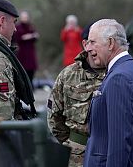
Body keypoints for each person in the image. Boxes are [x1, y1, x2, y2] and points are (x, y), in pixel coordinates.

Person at [83, 19, 133, 167]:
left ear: (110, 43)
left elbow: (119, 142)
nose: (87, 49)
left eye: (92, 42)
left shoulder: (119, 78)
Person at [47, 24, 105, 167]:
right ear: (85, 44)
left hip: (111, 152)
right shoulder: (68, 75)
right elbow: (54, 116)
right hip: (77, 157)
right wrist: (73, 144)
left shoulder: (118, 72)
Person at [13, 10, 39, 83]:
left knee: (31, 70)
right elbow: (18, 38)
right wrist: (28, 36)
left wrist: (29, 36)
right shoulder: (18, 27)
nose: (25, 18)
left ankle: (31, 85)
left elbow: (35, 36)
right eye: (23, 17)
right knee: (23, 70)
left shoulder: (31, 26)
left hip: (30, 51)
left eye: (26, 17)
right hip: (22, 52)